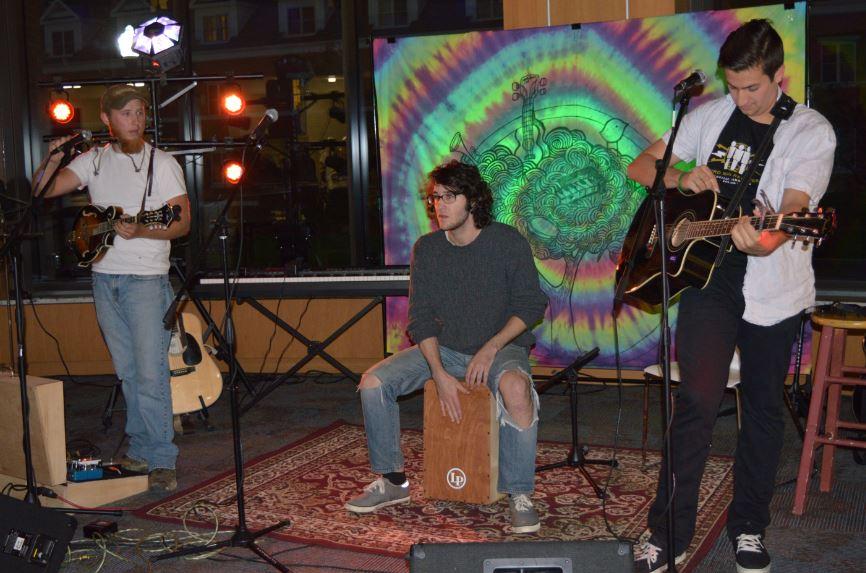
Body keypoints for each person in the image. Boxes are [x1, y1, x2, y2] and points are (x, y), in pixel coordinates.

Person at [626, 19, 835, 573]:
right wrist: (681, 178)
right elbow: (641, 165)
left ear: (779, 77)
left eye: (752, 89)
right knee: (695, 401)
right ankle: (667, 534)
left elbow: (790, 211)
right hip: (707, 282)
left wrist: (764, 238)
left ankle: (748, 527)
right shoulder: (711, 116)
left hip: (775, 290)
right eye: (733, 86)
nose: (740, 99)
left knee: (762, 410)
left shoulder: (811, 133)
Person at [344, 160, 548, 533]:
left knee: (516, 389)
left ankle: (520, 494)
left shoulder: (506, 242)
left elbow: (531, 305)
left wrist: (490, 348)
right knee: (373, 383)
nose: (440, 205)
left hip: (502, 346)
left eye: (450, 197)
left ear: (473, 201)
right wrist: (438, 372)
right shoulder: (429, 248)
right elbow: (419, 318)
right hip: (447, 350)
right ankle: (392, 481)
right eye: (435, 197)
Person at [32, 84, 191, 492]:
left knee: (150, 374)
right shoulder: (94, 161)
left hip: (145, 281)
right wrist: (54, 157)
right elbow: (43, 190)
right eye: (126, 113)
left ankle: (160, 458)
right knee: (128, 372)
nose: (135, 120)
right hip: (104, 279)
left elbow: (181, 223)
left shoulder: (164, 164)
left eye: (139, 112)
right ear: (107, 119)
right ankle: (140, 448)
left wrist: (140, 229)